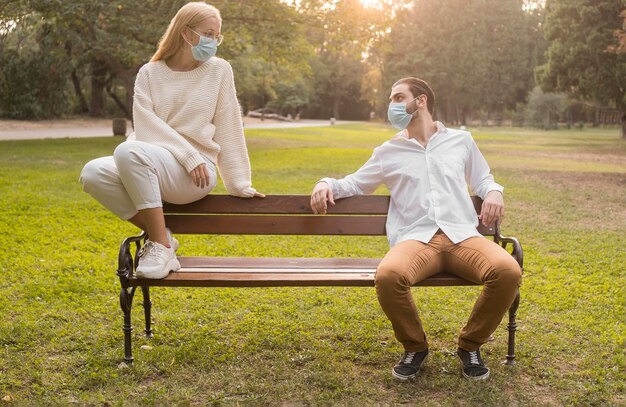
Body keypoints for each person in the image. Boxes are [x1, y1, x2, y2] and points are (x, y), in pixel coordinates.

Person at [310, 77, 521, 381]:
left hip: (463, 237)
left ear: (420, 101)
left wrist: (494, 192)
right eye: (391, 99)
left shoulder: (461, 140)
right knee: (388, 276)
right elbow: (355, 183)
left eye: (398, 98)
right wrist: (325, 183)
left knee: (508, 271)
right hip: (416, 240)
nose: (391, 106)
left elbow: (483, 178)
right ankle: (415, 346)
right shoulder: (387, 151)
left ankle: (470, 344)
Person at [80, 2, 263, 280]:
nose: (214, 41)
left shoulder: (219, 70)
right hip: (154, 160)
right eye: (209, 33)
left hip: (197, 173)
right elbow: (145, 126)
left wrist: (239, 183)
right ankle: (160, 236)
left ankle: (161, 248)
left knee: (129, 151)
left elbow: (230, 126)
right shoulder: (149, 73)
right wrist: (185, 154)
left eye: (217, 36)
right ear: (186, 33)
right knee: (92, 173)